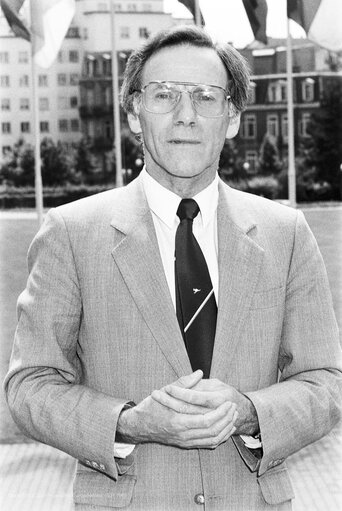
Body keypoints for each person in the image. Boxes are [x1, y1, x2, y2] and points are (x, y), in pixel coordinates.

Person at [4, 25, 342, 511]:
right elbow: (30, 385)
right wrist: (127, 423)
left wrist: (248, 412)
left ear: (231, 117)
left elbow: (325, 382)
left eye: (206, 97)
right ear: (134, 113)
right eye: (164, 95)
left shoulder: (286, 234)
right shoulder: (70, 234)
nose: (186, 116)